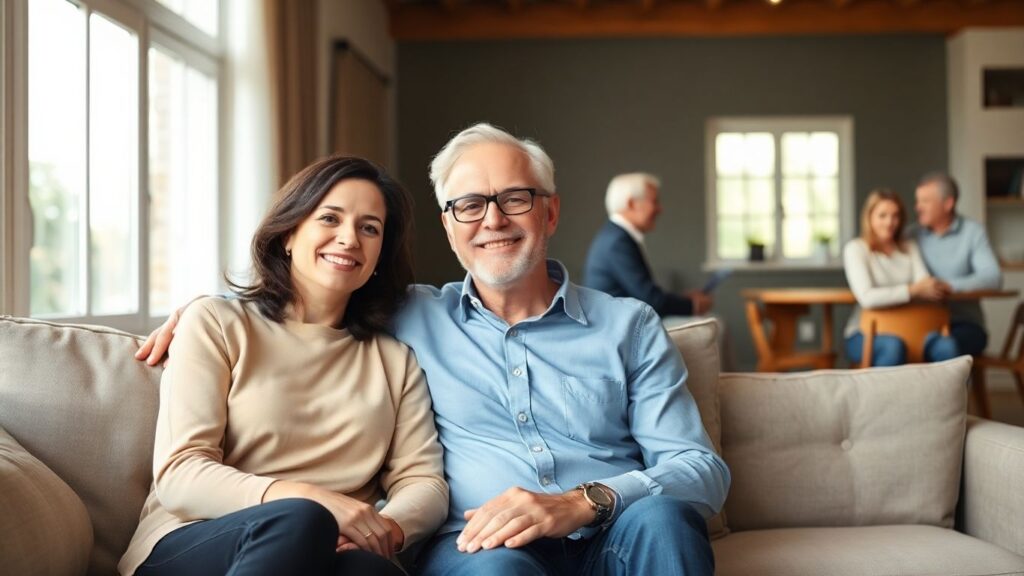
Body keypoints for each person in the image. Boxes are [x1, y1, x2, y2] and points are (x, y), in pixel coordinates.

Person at [137, 124, 730, 576]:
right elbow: (310, 293)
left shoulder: (628, 325)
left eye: (515, 198)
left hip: (613, 532)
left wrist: (586, 501)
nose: (492, 220)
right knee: (494, 571)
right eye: (470, 205)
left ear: (550, 211)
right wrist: (210, 307)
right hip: (482, 549)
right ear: (449, 227)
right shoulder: (415, 315)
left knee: (664, 518)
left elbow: (700, 470)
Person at [119, 156, 448, 576]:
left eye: (369, 228)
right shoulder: (217, 323)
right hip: (198, 538)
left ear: (380, 253)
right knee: (302, 520)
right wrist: (313, 500)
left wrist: (385, 528)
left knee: (372, 571)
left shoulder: (395, 361)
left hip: (332, 549)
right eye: (329, 218)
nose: (349, 238)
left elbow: (424, 481)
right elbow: (181, 473)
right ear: (289, 233)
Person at [843, 188, 959, 366]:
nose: (890, 222)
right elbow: (867, 298)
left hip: (913, 330)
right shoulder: (856, 249)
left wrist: (931, 287)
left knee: (948, 347)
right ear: (869, 217)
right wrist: (912, 291)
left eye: (895, 216)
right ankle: (883, 387)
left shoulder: (909, 247)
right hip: (866, 332)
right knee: (893, 347)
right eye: (882, 216)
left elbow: (925, 285)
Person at [583, 173, 712, 317]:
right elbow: (651, 300)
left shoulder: (614, 236)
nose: (660, 209)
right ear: (631, 204)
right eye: (654, 201)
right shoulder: (618, 242)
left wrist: (685, 299)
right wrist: (692, 305)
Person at [914, 172, 1003, 356]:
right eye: (918, 201)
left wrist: (948, 286)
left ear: (948, 203)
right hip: (919, 322)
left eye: (925, 201)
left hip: (964, 323)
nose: (918, 207)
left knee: (944, 348)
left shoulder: (973, 232)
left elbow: (993, 278)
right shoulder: (911, 236)